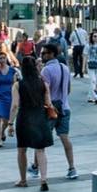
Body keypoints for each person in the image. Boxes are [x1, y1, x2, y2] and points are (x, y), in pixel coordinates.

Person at [8, 53, 54, 190]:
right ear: (35, 68)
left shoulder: (17, 85)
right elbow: (49, 103)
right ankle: (44, 179)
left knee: (22, 150)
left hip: (24, 118)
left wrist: (10, 123)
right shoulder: (43, 84)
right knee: (40, 150)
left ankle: (23, 180)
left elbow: (15, 105)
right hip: (40, 117)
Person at [38, 43, 77, 179]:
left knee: (41, 139)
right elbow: (68, 89)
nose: (41, 55)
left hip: (50, 110)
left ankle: (36, 166)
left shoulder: (46, 71)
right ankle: (72, 167)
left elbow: (44, 92)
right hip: (65, 108)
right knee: (65, 138)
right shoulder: (64, 68)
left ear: (52, 54)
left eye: (44, 53)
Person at [85, 29, 97, 103]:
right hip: (90, 64)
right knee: (93, 80)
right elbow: (85, 56)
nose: (95, 37)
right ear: (91, 37)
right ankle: (95, 96)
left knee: (96, 81)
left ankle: (90, 96)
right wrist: (83, 67)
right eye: (94, 36)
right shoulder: (87, 45)